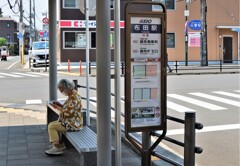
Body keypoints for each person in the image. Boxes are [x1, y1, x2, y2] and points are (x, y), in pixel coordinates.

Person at [45, 79, 83, 155]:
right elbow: (69, 108)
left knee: (52, 126)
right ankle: (59, 144)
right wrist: (60, 105)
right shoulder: (73, 95)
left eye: (62, 90)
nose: (62, 92)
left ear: (67, 88)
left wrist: (57, 108)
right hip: (72, 122)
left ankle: (56, 148)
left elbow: (68, 113)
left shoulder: (73, 98)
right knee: (54, 124)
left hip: (72, 124)